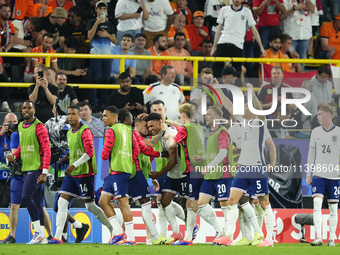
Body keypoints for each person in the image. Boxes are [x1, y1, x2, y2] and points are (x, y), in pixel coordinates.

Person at [213, 83, 277, 247]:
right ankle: (228, 236)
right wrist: (218, 89)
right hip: (244, 168)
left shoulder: (260, 122)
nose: (243, 108)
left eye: (246, 106)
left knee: (264, 203)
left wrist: (251, 92)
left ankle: (269, 239)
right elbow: (228, 105)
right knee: (232, 200)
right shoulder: (244, 122)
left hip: (257, 168)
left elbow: (258, 107)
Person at [48, 105, 113, 244]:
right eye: (68, 114)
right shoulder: (70, 132)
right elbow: (76, 152)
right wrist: (67, 158)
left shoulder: (85, 131)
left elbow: (89, 153)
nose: (70, 117)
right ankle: (58, 237)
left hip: (85, 173)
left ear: (79, 115)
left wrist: (73, 165)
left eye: (73, 114)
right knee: (61, 202)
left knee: (90, 206)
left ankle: (113, 230)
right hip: (72, 175)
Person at [118, 109, 173, 245]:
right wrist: (162, 129)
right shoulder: (135, 135)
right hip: (132, 174)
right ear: (136, 125)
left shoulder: (132, 135)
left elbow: (147, 156)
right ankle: (152, 238)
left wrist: (151, 176)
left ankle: (123, 236)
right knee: (143, 204)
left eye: (149, 127)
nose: (148, 130)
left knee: (125, 205)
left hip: (133, 174)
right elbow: (149, 147)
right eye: (146, 126)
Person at [7, 101, 51, 244]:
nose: (26, 110)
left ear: (34, 110)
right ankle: (43, 237)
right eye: (24, 108)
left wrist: (44, 172)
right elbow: (23, 147)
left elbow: (46, 150)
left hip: (36, 168)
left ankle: (38, 232)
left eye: (29, 108)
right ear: (21, 110)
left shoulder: (40, 127)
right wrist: (15, 155)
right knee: (37, 202)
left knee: (26, 197)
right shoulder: (20, 126)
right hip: (27, 168)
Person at [164, 104, 205, 245]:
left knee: (193, 202)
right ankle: (188, 236)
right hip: (199, 167)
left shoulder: (185, 129)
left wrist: (169, 136)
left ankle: (190, 237)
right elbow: (184, 127)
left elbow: (173, 144)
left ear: (182, 114)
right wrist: (174, 123)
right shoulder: (197, 127)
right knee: (191, 201)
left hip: (191, 167)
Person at [100, 105, 140, 245]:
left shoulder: (111, 131)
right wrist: (128, 160)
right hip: (120, 171)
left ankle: (131, 238)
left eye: (105, 116)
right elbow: (137, 149)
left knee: (124, 205)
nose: (103, 118)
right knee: (103, 201)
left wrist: (108, 156)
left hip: (118, 171)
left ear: (114, 116)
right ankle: (118, 232)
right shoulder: (129, 130)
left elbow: (105, 154)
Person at [146, 113, 187, 242]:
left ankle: (218, 230)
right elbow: (167, 153)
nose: (150, 129)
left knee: (193, 205)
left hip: (184, 173)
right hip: (173, 174)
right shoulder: (162, 135)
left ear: (160, 122)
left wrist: (158, 174)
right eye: (148, 126)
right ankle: (176, 233)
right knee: (164, 201)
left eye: (152, 125)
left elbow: (174, 160)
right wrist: (156, 154)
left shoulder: (171, 133)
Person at [306, 105, 340, 247]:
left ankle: (331, 238)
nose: (317, 117)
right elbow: (311, 154)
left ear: (328, 115)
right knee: (317, 204)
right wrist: (309, 173)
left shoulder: (339, 132)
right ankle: (319, 237)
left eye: (320, 114)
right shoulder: (315, 132)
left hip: (334, 175)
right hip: (319, 174)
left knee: (333, 208)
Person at [212, 0, 265, 76]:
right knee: (217, 68)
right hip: (223, 41)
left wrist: (261, 47)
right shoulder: (224, 9)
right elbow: (219, 29)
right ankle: (215, 87)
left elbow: (254, 30)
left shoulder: (247, 11)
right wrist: (214, 47)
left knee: (237, 72)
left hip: (238, 44)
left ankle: (235, 88)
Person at [86, 1, 116, 109]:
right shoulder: (91, 22)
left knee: (105, 80)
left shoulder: (109, 24)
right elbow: (89, 36)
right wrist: (97, 23)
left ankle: (104, 103)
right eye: (100, 8)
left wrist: (107, 35)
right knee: (95, 79)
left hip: (107, 56)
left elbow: (115, 40)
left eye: (104, 9)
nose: (102, 10)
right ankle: (93, 104)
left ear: (107, 11)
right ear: (96, 10)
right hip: (95, 55)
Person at [281, 0, 315, 68]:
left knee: (301, 58)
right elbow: (282, 15)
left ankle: (300, 78)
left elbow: (313, 10)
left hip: (304, 33)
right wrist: (294, 8)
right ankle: (289, 77)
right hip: (290, 34)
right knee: (289, 57)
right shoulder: (286, 1)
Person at [0, 113, 18, 209]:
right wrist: (1, 134)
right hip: (1, 178)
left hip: (16, 176)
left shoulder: (20, 134)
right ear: (4, 123)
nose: (12, 124)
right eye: (9, 122)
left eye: (14, 122)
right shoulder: (0, 134)